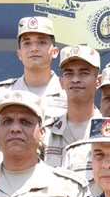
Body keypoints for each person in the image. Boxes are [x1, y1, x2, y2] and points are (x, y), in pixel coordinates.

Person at [42, 45, 101, 183]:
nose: (75, 79)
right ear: (61, 82)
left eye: (84, 73)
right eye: (69, 73)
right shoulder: (46, 133)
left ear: (98, 81)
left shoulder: (107, 132)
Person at [0, 16, 67, 119]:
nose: (34, 48)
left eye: (42, 42)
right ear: (19, 54)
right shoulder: (0, 93)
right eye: (27, 43)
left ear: (55, 52)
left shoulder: (69, 92)